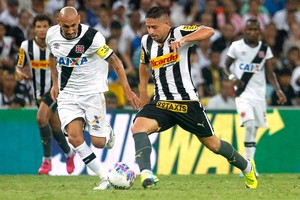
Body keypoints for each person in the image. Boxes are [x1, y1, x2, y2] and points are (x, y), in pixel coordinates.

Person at [131, 6, 258, 189]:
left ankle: (247, 168)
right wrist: (143, 93)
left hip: (186, 102)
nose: (151, 31)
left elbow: (209, 30)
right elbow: (143, 65)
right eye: (148, 27)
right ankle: (146, 174)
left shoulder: (179, 32)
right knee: (138, 128)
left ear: (167, 23)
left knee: (214, 144)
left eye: (155, 27)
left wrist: (183, 40)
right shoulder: (146, 41)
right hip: (161, 102)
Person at [46, 7, 140, 190]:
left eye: (74, 25)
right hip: (67, 94)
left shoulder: (93, 38)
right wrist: (55, 84)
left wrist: (127, 91)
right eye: (66, 26)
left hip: (91, 93)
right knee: (74, 138)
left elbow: (116, 62)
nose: (71, 30)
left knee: (99, 143)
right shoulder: (51, 35)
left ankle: (106, 131)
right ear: (59, 23)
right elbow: (52, 57)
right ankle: (104, 177)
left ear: (79, 19)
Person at [223, 17, 287, 175]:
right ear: (244, 31)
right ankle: (246, 166)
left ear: (259, 32)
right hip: (243, 94)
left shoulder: (264, 49)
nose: (252, 32)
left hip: (259, 96)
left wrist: (278, 90)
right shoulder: (236, 47)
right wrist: (233, 79)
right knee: (249, 125)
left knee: (253, 130)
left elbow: (270, 72)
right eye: (249, 30)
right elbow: (225, 66)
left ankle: (249, 166)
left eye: (255, 30)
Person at [16, 15, 76, 175]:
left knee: (41, 118)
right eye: (38, 27)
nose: (42, 30)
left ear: (51, 28)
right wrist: (19, 73)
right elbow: (18, 66)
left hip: (57, 91)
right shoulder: (25, 46)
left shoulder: (57, 45)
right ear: (34, 28)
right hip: (38, 94)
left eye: (45, 27)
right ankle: (69, 153)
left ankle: (47, 160)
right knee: (55, 127)